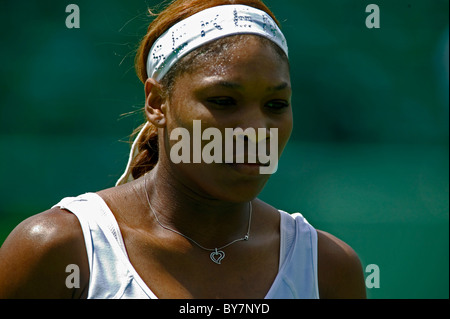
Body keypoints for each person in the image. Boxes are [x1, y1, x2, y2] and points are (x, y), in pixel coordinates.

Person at [0, 0, 366, 299]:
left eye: (275, 105)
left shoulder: (327, 270)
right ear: (158, 102)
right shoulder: (61, 251)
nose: (257, 131)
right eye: (223, 101)